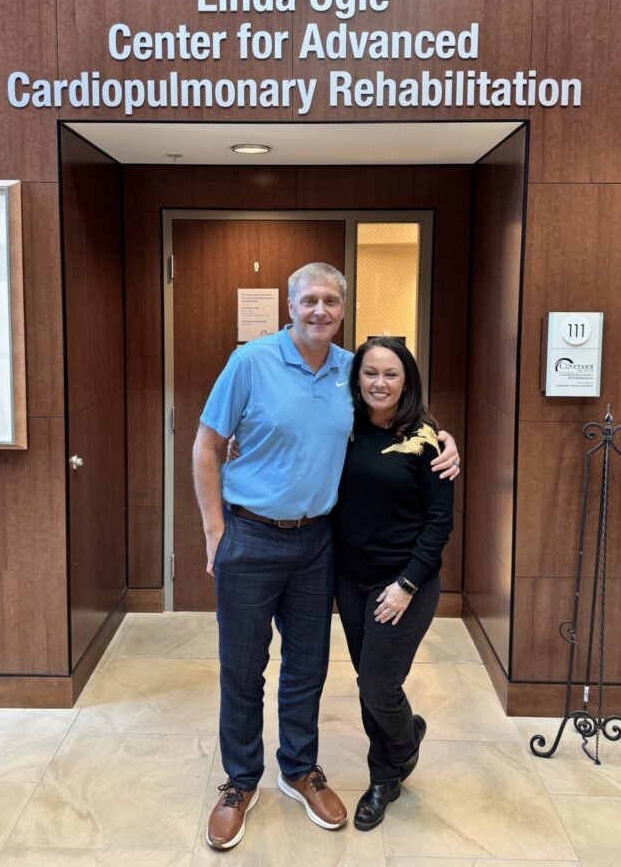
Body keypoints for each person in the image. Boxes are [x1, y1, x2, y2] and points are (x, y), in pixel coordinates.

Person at [192, 262, 460, 850]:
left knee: (307, 667)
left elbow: (395, 415)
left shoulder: (349, 370)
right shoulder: (250, 362)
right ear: (291, 305)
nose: (320, 310)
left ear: (343, 309)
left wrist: (444, 438)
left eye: (331, 301)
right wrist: (215, 531)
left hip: (318, 543)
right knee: (242, 668)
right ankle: (240, 781)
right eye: (309, 299)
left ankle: (298, 769)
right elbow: (208, 445)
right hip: (250, 535)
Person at [332, 336, 454, 830]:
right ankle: (388, 771)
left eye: (390, 374)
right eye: (370, 373)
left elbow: (440, 523)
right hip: (350, 580)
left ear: (407, 382)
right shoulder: (342, 428)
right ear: (356, 379)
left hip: (405, 583)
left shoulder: (427, 440)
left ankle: (396, 758)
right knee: (369, 683)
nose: (379, 383)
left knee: (378, 684)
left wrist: (406, 585)